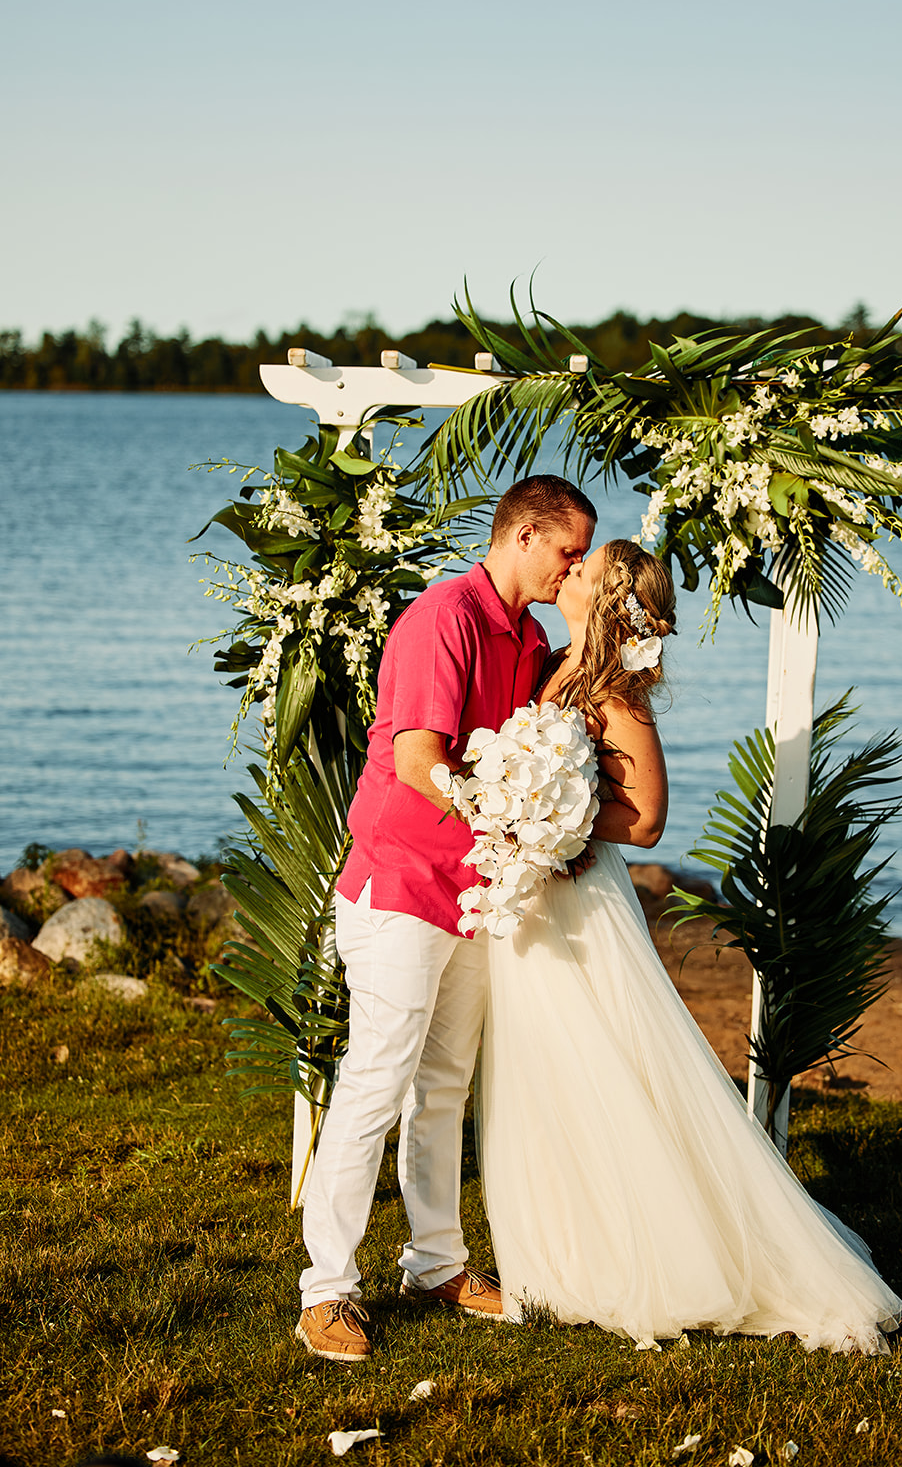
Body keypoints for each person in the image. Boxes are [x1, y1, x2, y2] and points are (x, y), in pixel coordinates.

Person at [479, 539, 902, 1352]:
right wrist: (518, 805)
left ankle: (655, 1256)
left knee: (603, 1064)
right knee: (541, 1069)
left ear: (608, 598)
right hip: (534, 884)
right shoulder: (555, 665)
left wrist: (536, 810)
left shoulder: (615, 693)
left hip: (578, 895)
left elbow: (645, 820)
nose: (567, 568)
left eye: (585, 566)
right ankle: (561, 1254)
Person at [296, 474, 597, 1363]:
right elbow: (420, 756)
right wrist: (510, 819)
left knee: (444, 1090)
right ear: (522, 536)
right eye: (567, 551)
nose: (572, 567)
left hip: (473, 892)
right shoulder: (443, 618)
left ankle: (435, 1263)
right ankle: (326, 1291)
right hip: (400, 884)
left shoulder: (532, 633)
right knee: (374, 1085)